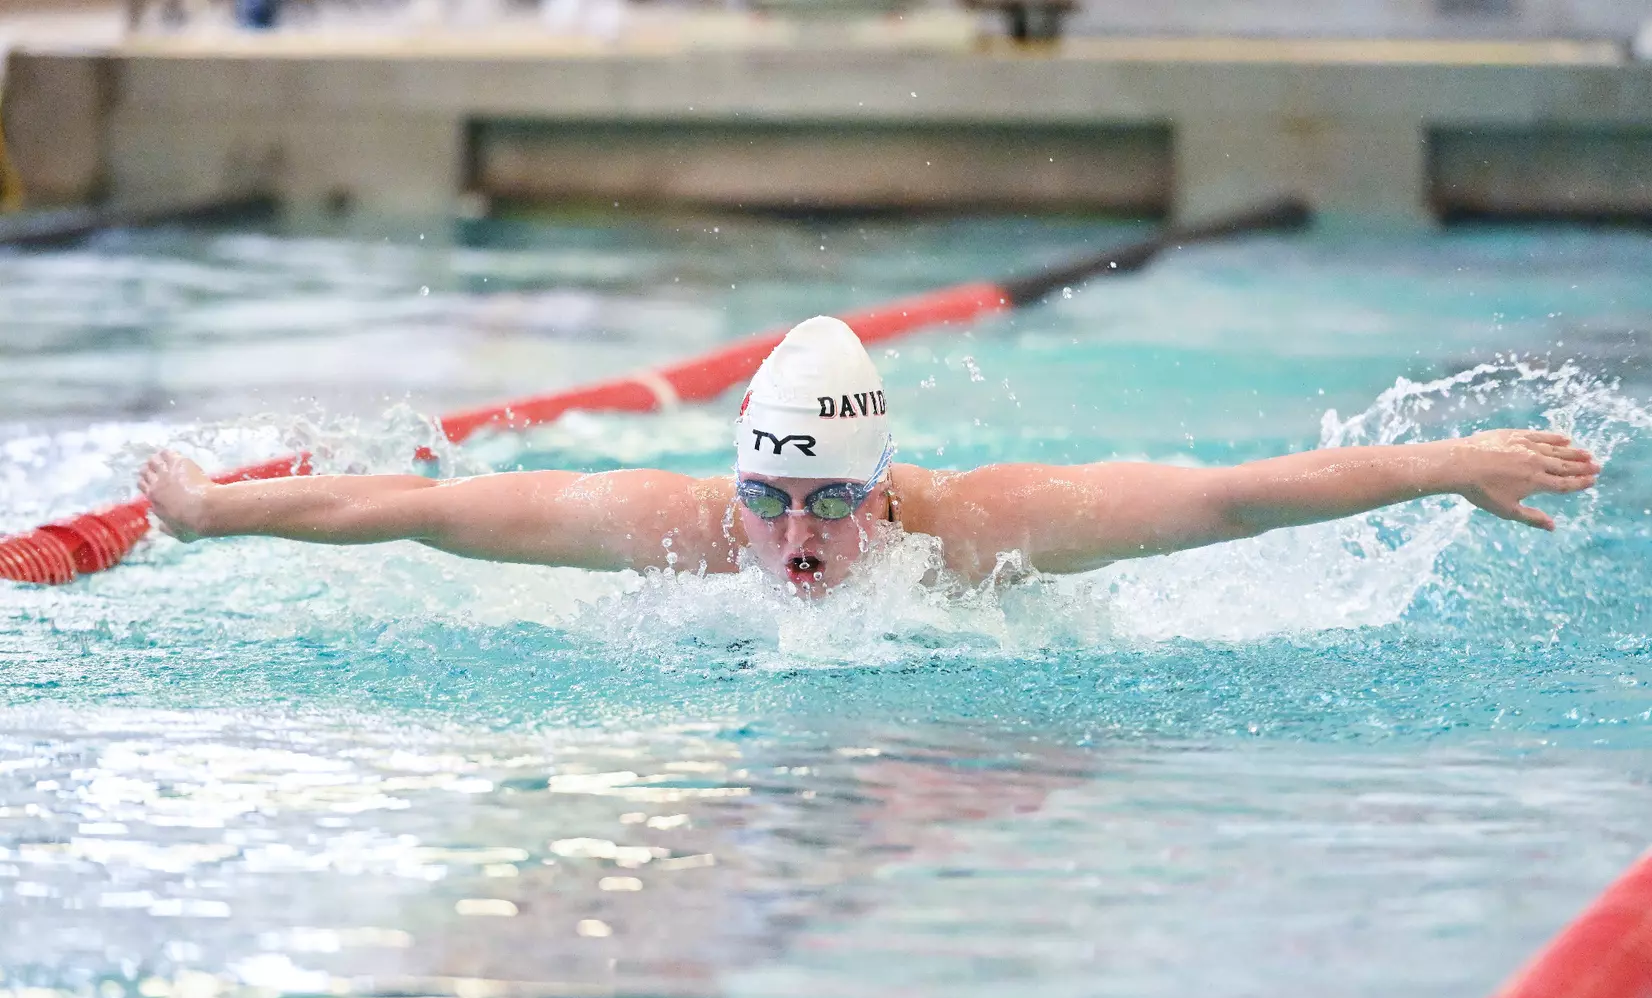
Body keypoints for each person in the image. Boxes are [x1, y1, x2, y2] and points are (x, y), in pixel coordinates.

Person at [140, 316, 1601, 596]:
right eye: (767, 504)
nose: (796, 545)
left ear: (884, 486)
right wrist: (209, 514)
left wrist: (1454, 458)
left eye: (831, 503)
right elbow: (435, 516)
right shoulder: (690, 529)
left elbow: (1236, 496)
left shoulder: (982, 531)